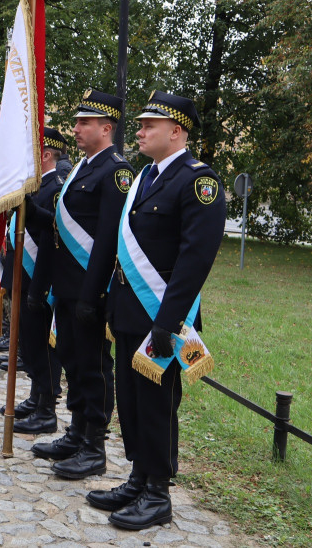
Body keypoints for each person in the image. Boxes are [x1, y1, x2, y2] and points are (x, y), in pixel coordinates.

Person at [89, 92, 225, 530]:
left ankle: (158, 492)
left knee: (156, 403)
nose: (141, 131)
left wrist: (168, 322)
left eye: (150, 125)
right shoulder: (146, 176)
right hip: (129, 308)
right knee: (129, 400)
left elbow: (194, 260)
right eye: (142, 124)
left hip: (162, 314)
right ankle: (138, 476)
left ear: (177, 131)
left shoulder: (199, 183)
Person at [30, 89, 134, 482]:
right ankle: (75, 432)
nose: (76, 129)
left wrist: (92, 295)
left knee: (93, 367)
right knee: (73, 362)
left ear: (106, 128)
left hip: (90, 289)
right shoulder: (82, 169)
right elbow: (59, 227)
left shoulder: (115, 171)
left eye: (84, 122)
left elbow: (109, 238)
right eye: (76, 122)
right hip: (67, 287)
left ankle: (94, 445)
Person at [3, 128, 70, 436]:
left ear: (44, 154)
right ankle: (35, 395)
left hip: (42, 276)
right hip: (26, 274)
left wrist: (29, 210)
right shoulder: (35, 185)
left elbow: (55, 232)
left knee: (43, 345)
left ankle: (46, 406)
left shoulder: (55, 186)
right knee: (29, 343)